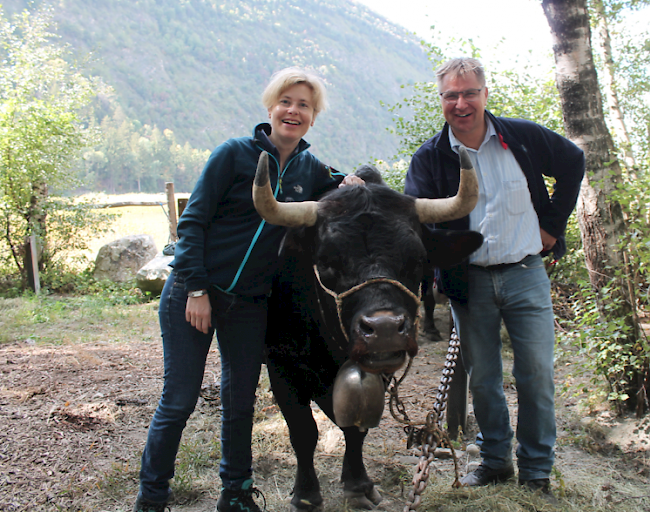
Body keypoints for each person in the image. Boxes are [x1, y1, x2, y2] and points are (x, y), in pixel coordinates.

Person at [132, 67, 362, 512]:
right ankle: (152, 497)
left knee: (239, 403)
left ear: (313, 117)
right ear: (271, 107)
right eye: (286, 102)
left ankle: (235, 493)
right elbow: (192, 223)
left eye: (304, 106)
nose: (293, 111)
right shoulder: (234, 155)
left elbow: (336, 182)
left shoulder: (309, 168)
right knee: (178, 401)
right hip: (193, 293)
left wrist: (351, 180)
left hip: (249, 304)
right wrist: (197, 289)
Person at [404, 57, 584, 499]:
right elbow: (415, 222)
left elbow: (574, 161)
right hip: (471, 283)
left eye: (469, 93)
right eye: (451, 95)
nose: (460, 103)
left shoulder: (520, 137)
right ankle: (495, 461)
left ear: (485, 94)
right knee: (483, 378)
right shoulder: (429, 158)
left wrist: (552, 227)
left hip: (526, 271)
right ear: (441, 100)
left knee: (536, 374)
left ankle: (537, 472)